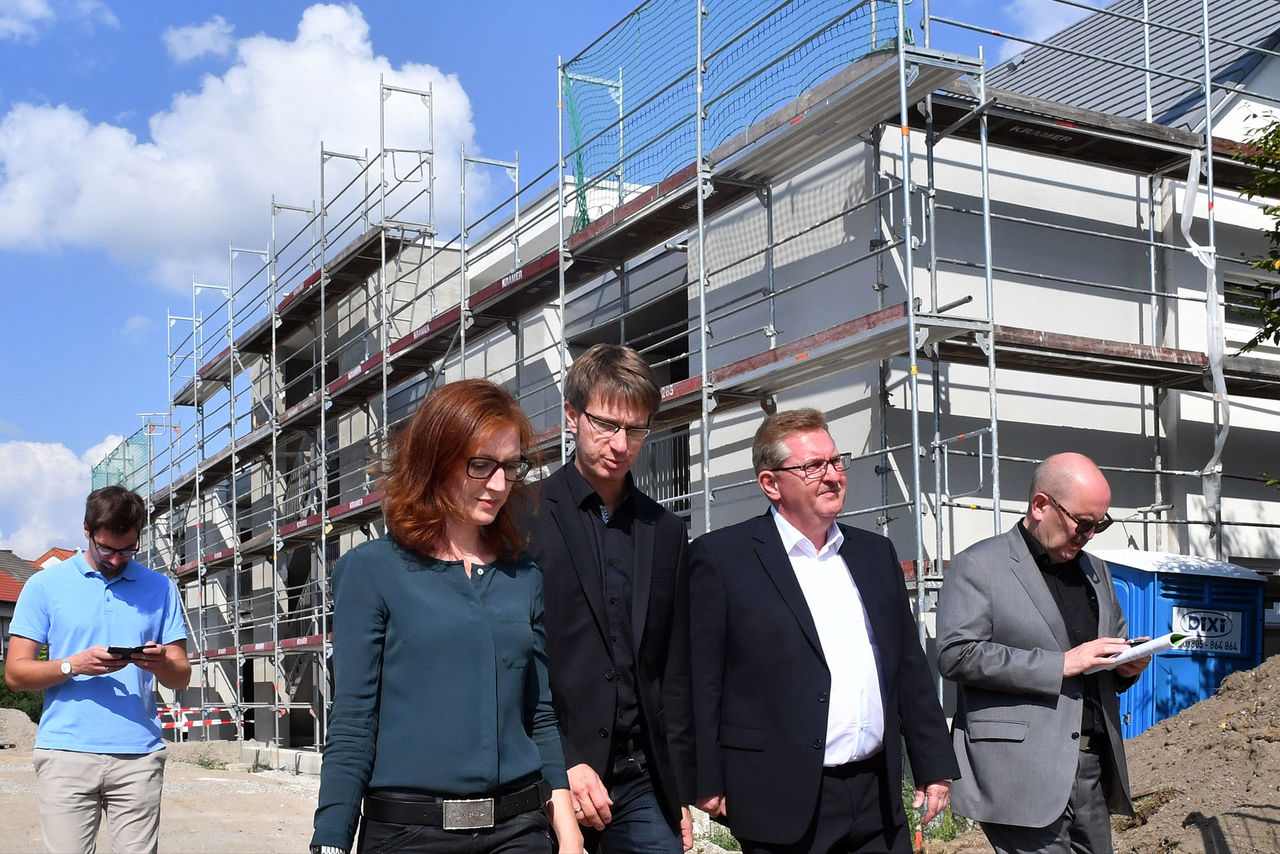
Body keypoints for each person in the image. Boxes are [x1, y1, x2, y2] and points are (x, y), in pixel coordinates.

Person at [310, 379, 583, 854]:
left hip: (519, 831)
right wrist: (331, 840)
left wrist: (569, 834)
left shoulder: (524, 576)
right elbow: (354, 719)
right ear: (435, 459)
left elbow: (538, 715)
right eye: (481, 465)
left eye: (510, 466)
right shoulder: (372, 570)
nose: (499, 484)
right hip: (408, 834)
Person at [688, 408, 958, 854]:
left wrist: (933, 765)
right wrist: (706, 777)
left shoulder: (874, 552)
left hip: (877, 796)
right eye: (813, 466)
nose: (833, 476)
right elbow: (701, 677)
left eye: (836, 461)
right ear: (771, 484)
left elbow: (907, 665)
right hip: (780, 796)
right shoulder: (722, 558)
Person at [524, 343, 696, 853]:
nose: (621, 443)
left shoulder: (664, 530)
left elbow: (673, 667)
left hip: (642, 777)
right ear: (572, 416)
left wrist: (677, 789)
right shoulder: (521, 516)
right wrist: (563, 758)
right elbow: (509, 657)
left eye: (636, 429)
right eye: (606, 424)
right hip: (549, 771)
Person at [936, 452, 1151, 854]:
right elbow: (955, 655)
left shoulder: (1095, 570)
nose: (1088, 535)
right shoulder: (978, 566)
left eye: (1099, 525)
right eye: (1083, 524)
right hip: (1019, 770)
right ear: (1040, 505)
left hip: (1089, 763)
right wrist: (1062, 664)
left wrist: (1126, 666)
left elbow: (1103, 654)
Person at [5, 485, 191, 854]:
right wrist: (73, 665)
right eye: (107, 548)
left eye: (128, 550)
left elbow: (181, 675)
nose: (118, 559)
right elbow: (15, 673)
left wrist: (161, 664)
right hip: (65, 753)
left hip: (139, 753)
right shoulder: (44, 586)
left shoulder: (161, 588)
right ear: (86, 531)